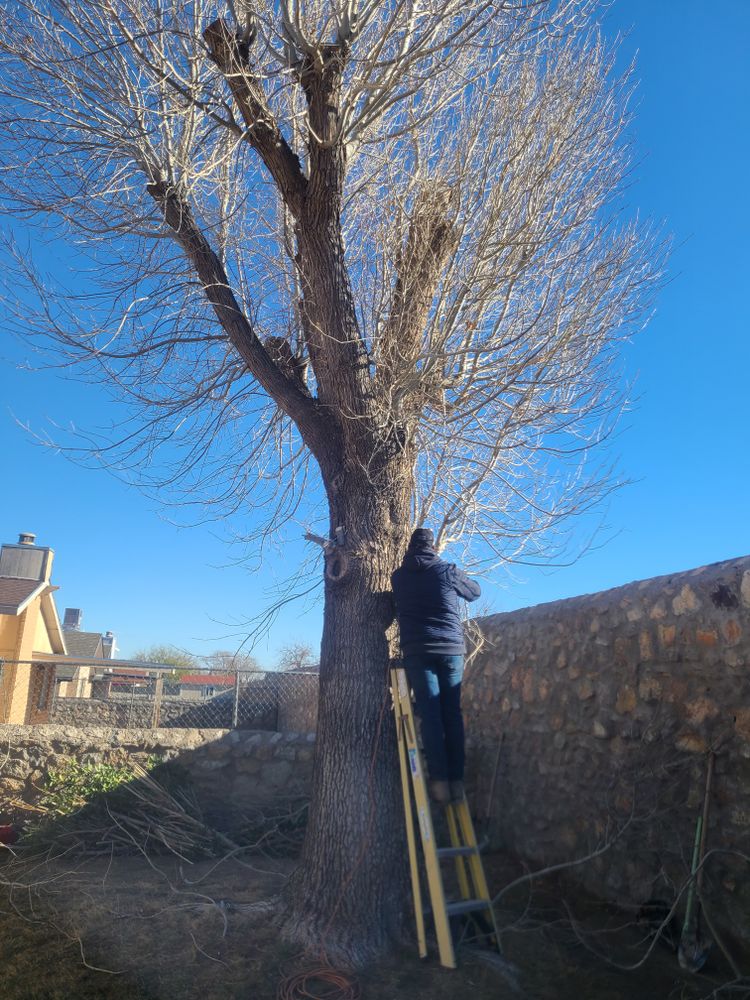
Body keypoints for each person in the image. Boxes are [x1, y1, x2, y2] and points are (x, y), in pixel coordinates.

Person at [391, 528, 481, 805]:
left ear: (409, 547)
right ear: (433, 547)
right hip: (450, 649)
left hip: (417, 651)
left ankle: (439, 782)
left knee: (430, 716)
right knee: (451, 713)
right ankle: (456, 781)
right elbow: (475, 592)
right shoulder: (446, 570)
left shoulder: (398, 577)